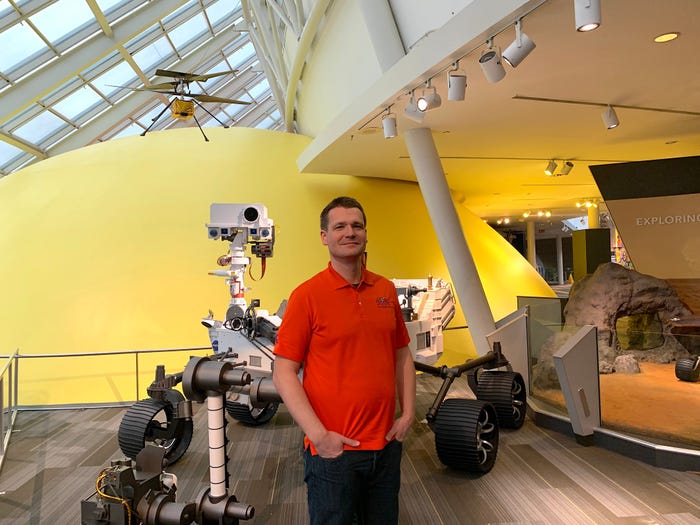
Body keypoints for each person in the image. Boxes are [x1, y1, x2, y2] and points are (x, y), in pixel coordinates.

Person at [273, 196, 416, 525]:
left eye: (356, 225)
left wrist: (408, 414)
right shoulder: (306, 296)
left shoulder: (385, 289)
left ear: (366, 233)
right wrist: (319, 436)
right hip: (333, 453)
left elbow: (402, 354)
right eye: (339, 226)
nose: (349, 232)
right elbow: (283, 372)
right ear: (325, 236)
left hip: (386, 445)